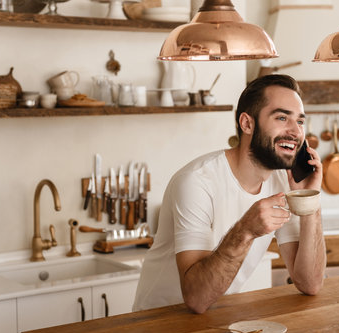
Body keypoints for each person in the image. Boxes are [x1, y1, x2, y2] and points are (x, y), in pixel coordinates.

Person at [133, 74, 326, 314]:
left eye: (300, 121)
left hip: (217, 317)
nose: (295, 131)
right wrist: (245, 230)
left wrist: (309, 198)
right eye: (281, 117)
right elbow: (195, 298)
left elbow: (310, 283)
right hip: (158, 324)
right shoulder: (196, 182)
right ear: (247, 124)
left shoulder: (283, 182)